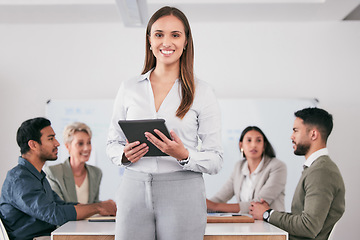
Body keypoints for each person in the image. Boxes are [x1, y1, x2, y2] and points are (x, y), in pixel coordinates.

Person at [106, 6, 223, 240]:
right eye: (159, 34)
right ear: (149, 40)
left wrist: (184, 155)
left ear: (186, 41)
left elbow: (216, 159)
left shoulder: (203, 92)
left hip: (183, 189)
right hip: (133, 187)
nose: (166, 42)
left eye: (175, 35)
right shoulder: (129, 88)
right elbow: (112, 143)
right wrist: (124, 155)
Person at [0, 117, 116, 240]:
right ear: (33, 144)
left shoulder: (37, 176)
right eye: (51, 139)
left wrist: (100, 207)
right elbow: (55, 214)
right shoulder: (20, 179)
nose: (57, 143)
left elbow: (61, 205)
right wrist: (98, 207)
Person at [250, 107, 345, 240]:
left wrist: (267, 214)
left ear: (313, 134)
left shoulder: (321, 172)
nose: (291, 136)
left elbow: (308, 226)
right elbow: (302, 218)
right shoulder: (316, 168)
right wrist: (270, 213)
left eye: (296, 130)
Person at [207, 126, 287, 214]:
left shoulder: (277, 166)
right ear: (241, 145)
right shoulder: (239, 167)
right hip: (246, 224)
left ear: (264, 146)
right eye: (249, 140)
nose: (253, 145)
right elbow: (219, 199)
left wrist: (214, 206)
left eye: (258, 140)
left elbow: (257, 204)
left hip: (271, 225)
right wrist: (203, 205)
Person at [44, 122, 102, 204]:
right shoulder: (54, 173)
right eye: (80, 144)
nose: (86, 148)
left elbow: (95, 204)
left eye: (89, 143)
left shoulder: (96, 173)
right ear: (68, 146)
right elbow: (59, 208)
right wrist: (98, 207)